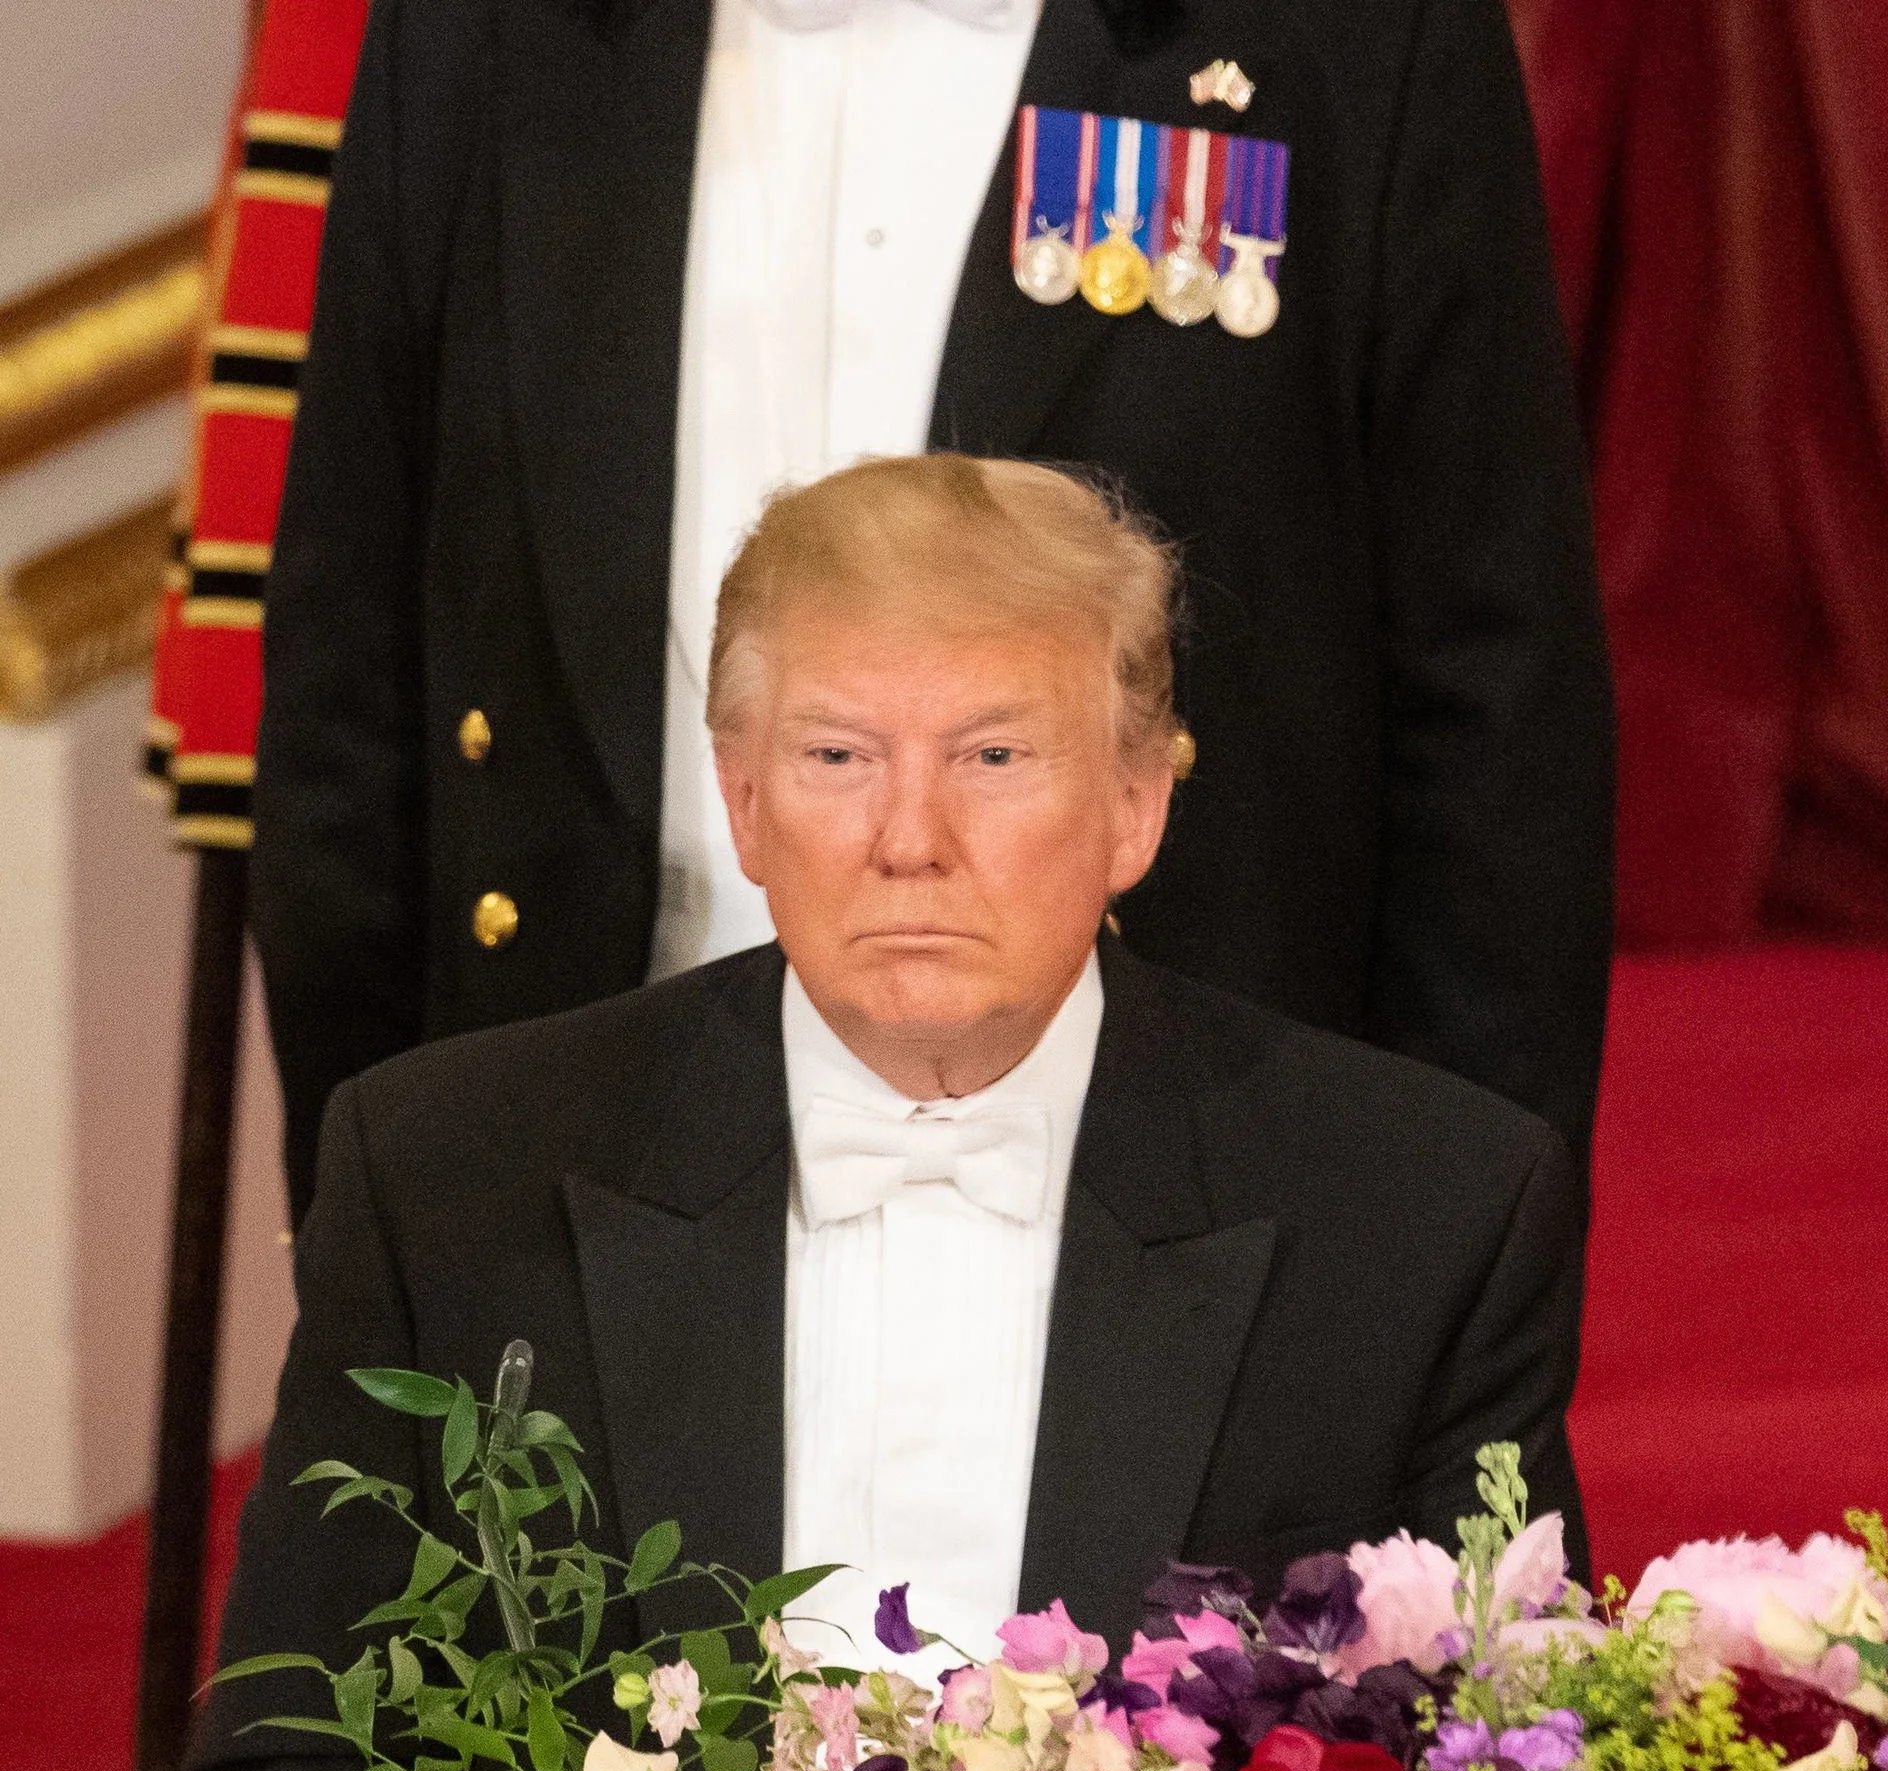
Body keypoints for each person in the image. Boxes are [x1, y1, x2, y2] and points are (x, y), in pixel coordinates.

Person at [180, 457, 1587, 1771]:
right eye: (838, 757)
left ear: (1136, 806)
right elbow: (295, 1766)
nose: (911, 841)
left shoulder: (1423, 1213)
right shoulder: (445, 1178)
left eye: (994, 756)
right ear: (741, 800)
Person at [248, 0, 1613, 1222]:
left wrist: (1461, 1291)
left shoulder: (1361, 36)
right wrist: (381, 1250)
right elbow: (348, 682)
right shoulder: (483, 34)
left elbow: (1494, 717)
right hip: (595, 1179)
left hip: (1176, 1205)